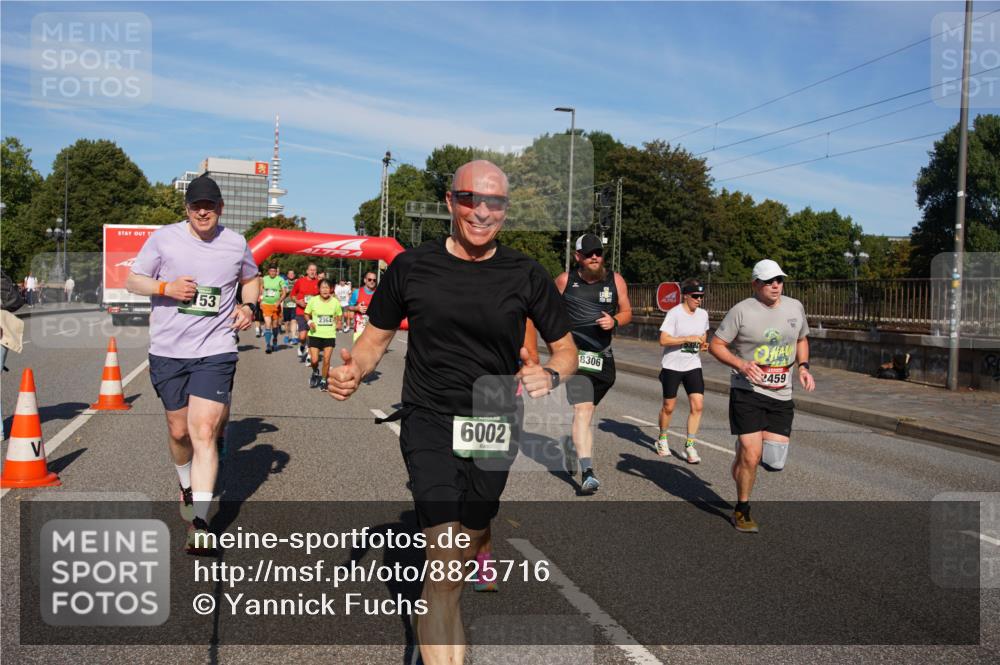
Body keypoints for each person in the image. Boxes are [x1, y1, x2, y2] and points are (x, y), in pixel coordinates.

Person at [328, 160, 576, 665]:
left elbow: (566, 350)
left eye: (495, 203)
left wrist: (550, 375)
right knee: (443, 556)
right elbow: (374, 339)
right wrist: (356, 369)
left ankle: (481, 540)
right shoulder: (411, 266)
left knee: (476, 526)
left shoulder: (525, 273)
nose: (482, 212)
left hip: (493, 412)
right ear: (449, 202)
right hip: (429, 414)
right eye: (470, 200)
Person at [126, 174, 259, 552]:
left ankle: (200, 522)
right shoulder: (165, 238)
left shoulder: (235, 243)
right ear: (187, 209)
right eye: (196, 206)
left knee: (202, 431)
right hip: (168, 350)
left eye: (210, 205)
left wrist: (248, 306)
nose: (203, 211)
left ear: (220, 208)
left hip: (216, 349)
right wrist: (164, 288)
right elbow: (133, 281)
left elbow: (252, 279)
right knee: (179, 431)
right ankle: (186, 486)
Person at [709, 259, 815, 533]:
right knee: (753, 455)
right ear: (755, 284)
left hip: (782, 393)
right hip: (748, 391)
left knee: (774, 461)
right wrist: (741, 364)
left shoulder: (795, 307)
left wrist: (803, 367)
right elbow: (716, 345)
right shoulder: (741, 311)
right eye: (769, 281)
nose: (776, 285)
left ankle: (743, 454)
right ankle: (742, 510)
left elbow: (802, 338)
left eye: (779, 280)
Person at [555, 233, 632, 494]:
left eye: (598, 252)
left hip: (604, 358)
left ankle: (572, 444)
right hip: (575, 358)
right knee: (583, 411)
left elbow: (627, 311)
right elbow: (546, 313)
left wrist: (615, 321)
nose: (595, 257)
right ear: (578, 256)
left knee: (586, 415)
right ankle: (588, 473)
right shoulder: (565, 281)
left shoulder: (615, 280)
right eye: (589, 253)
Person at [656, 278, 710, 463]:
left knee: (698, 405)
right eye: (695, 296)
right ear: (685, 295)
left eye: (701, 296)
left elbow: (703, 335)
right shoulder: (674, 313)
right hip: (672, 365)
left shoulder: (703, 314)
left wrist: (703, 343)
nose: (699, 299)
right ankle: (662, 438)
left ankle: (690, 445)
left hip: (693, 365)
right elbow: (663, 340)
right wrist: (687, 339)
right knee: (668, 407)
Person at [303, 278, 342, 389]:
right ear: (319, 289)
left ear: (331, 289)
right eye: (322, 287)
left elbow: (339, 314)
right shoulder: (313, 300)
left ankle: (324, 380)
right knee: (314, 360)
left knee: (326, 360)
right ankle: (315, 371)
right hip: (315, 334)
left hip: (329, 335)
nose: (325, 290)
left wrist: (339, 322)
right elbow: (306, 313)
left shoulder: (335, 302)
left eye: (327, 287)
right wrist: (309, 321)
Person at [289, 264, 320, 363]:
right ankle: (302, 345)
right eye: (311, 270)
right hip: (301, 312)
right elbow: (292, 295)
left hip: (314, 313)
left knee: (311, 334)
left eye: (314, 270)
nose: (312, 272)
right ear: (307, 271)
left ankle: (310, 355)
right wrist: (298, 302)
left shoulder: (319, 283)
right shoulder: (300, 281)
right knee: (302, 336)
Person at [259, 264, 287, 354]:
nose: (272, 273)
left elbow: (284, 292)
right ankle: (268, 345)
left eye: (274, 271)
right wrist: (260, 300)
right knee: (268, 323)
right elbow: (261, 289)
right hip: (266, 304)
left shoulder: (280, 280)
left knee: (275, 325)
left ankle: (274, 339)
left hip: (275, 305)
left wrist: (279, 301)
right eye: (271, 271)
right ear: (268, 271)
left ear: (276, 272)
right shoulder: (264, 279)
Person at [348, 271, 377, 342]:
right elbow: (349, 307)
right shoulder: (357, 292)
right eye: (369, 279)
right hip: (360, 328)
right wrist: (357, 308)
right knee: (358, 352)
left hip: (373, 328)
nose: (372, 282)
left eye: (374, 280)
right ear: (365, 280)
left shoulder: (378, 293)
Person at [281, 268, 297, 343]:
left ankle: (293, 337)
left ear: (294, 275)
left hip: (295, 304)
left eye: (292, 273)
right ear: (287, 275)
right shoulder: (284, 282)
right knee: (287, 322)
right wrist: (284, 292)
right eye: (290, 274)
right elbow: (281, 294)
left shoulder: (297, 282)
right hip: (286, 305)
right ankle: (287, 335)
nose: (291, 275)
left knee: (294, 321)